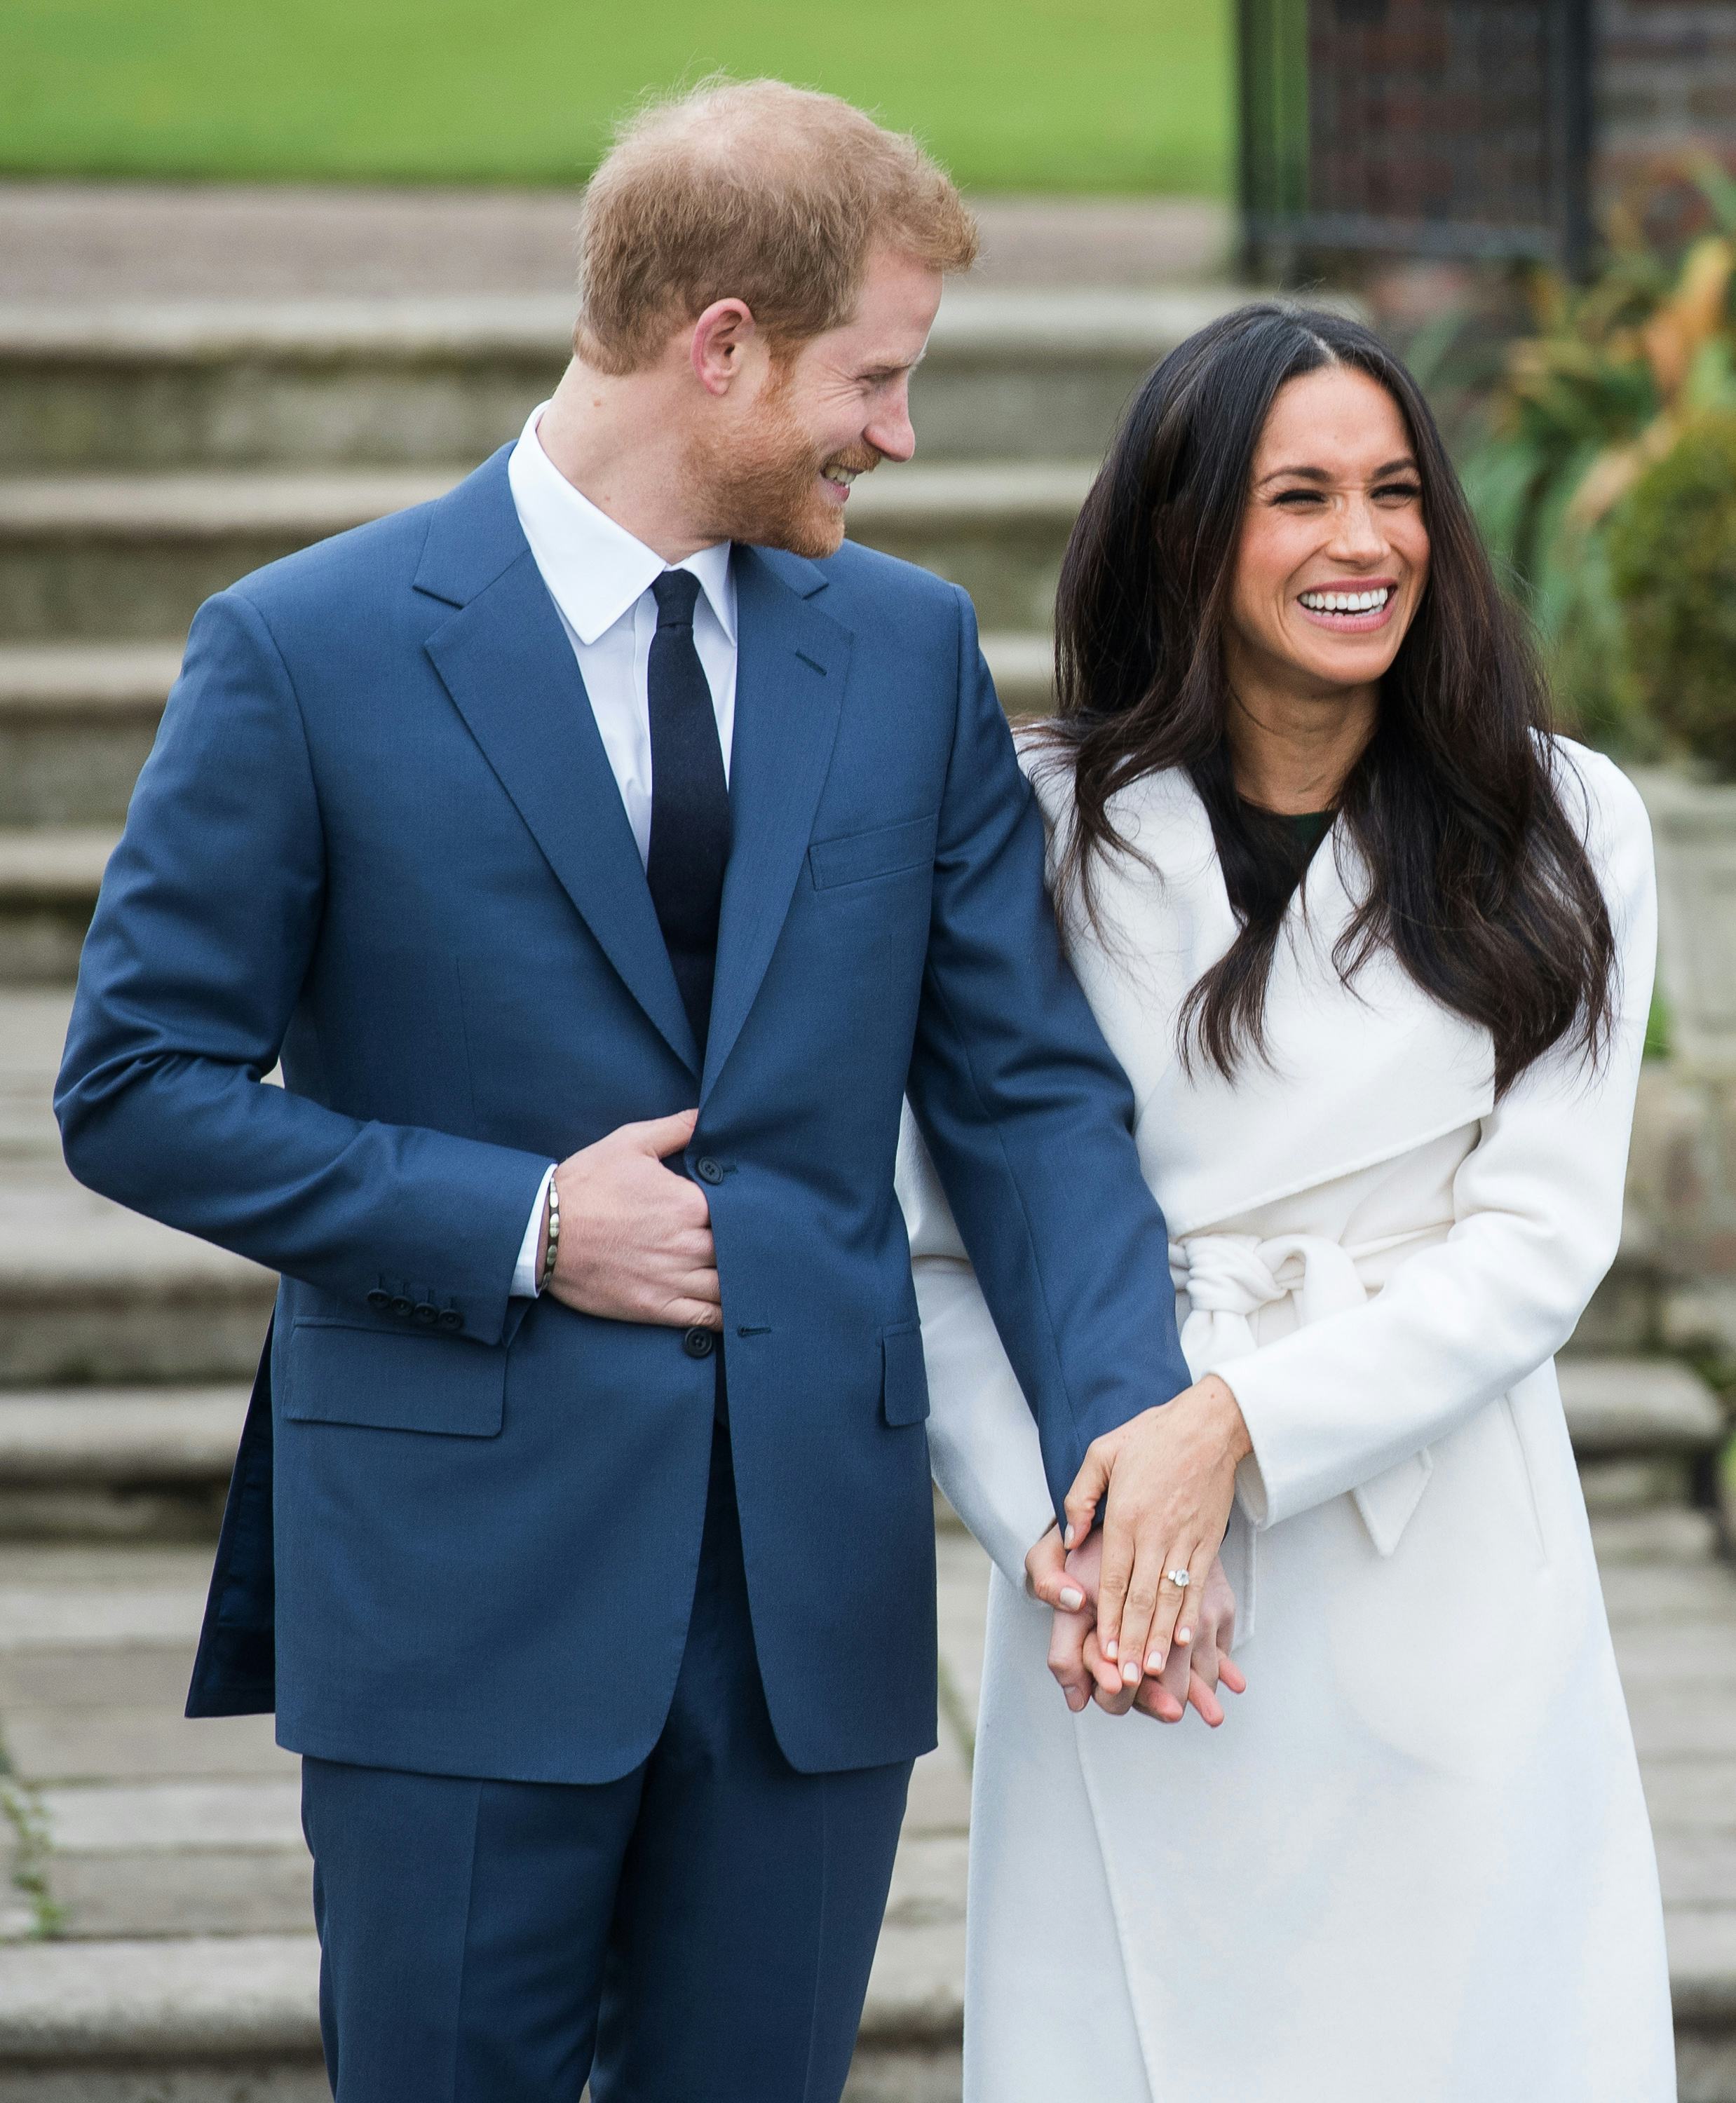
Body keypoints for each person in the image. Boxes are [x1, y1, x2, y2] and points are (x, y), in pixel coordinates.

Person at [54, 80, 1220, 2103]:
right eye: (875, 375)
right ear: (720, 349)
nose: (898, 432)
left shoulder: (909, 649)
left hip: (808, 1607)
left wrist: (1120, 1443)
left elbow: (1025, 1100)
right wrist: (517, 1224)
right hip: (453, 1586)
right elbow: (133, 1084)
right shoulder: (307, 650)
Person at [899, 302, 1676, 2102]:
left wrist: (1231, 1430)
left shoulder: (1561, 822)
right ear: (1185, 532)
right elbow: (933, 1247)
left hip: (1435, 1547)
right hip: (1121, 1599)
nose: (1363, 543)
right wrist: (1066, 1528)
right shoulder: (1027, 824)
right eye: (1298, 495)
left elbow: (1536, 1247)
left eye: (1395, 492)